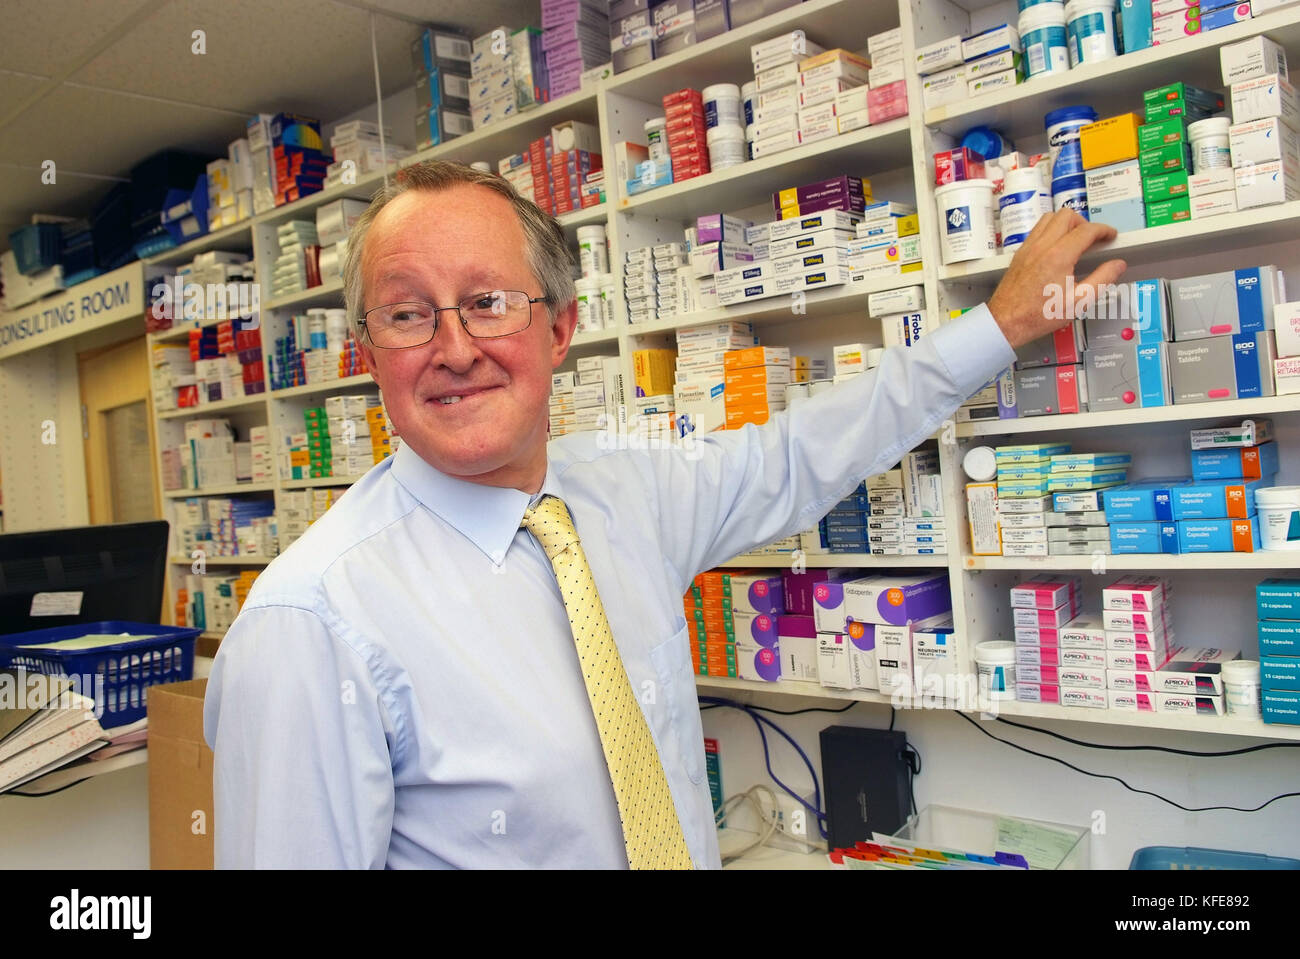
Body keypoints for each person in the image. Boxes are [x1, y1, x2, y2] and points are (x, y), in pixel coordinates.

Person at [203, 161, 1126, 869]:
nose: (454, 348)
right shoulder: (311, 622)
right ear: (369, 351)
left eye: (489, 304)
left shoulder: (623, 496)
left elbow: (806, 451)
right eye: (408, 316)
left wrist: (1000, 326)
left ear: (559, 329)